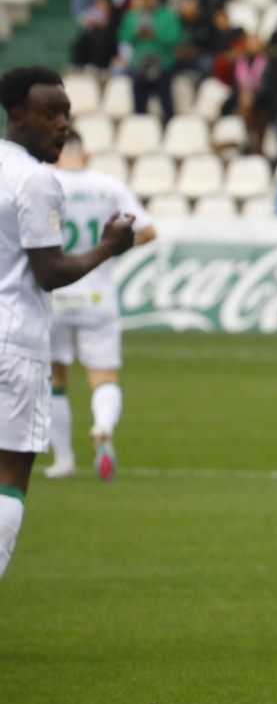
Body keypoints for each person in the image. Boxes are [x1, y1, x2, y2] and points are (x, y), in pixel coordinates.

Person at [0, 67, 136, 581]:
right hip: (14, 345)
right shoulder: (36, 180)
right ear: (17, 119)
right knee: (10, 477)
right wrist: (107, 247)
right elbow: (50, 271)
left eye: (66, 114)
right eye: (49, 114)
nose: (61, 125)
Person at [43, 130, 156, 480]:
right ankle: (103, 427)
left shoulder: (45, 183)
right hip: (97, 294)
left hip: (55, 293)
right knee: (104, 375)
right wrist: (112, 248)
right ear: (86, 154)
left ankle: (63, 460)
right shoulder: (109, 185)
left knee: (56, 378)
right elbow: (149, 230)